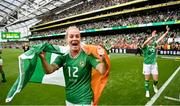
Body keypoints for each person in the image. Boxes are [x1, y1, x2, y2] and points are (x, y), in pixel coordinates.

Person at [39, 26, 107, 105]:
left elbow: (102, 70)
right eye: (71, 36)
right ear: (67, 40)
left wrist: (103, 60)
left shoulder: (87, 55)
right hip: (69, 101)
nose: (74, 38)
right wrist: (43, 59)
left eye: (77, 36)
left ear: (80, 39)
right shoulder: (63, 57)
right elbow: (49, 70)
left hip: (85, 101)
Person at [142, 26, 170, 97]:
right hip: (146, 65)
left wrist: (166, 32)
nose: (151, 40)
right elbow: (144, 43)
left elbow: (161, 38)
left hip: (154, 64)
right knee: (147, 80)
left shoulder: (154, 44)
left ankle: (154, 86)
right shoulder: (144, 47)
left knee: (156, 80)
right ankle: (147, 91)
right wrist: (151, 36)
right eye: (149, 40)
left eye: (151, 40)